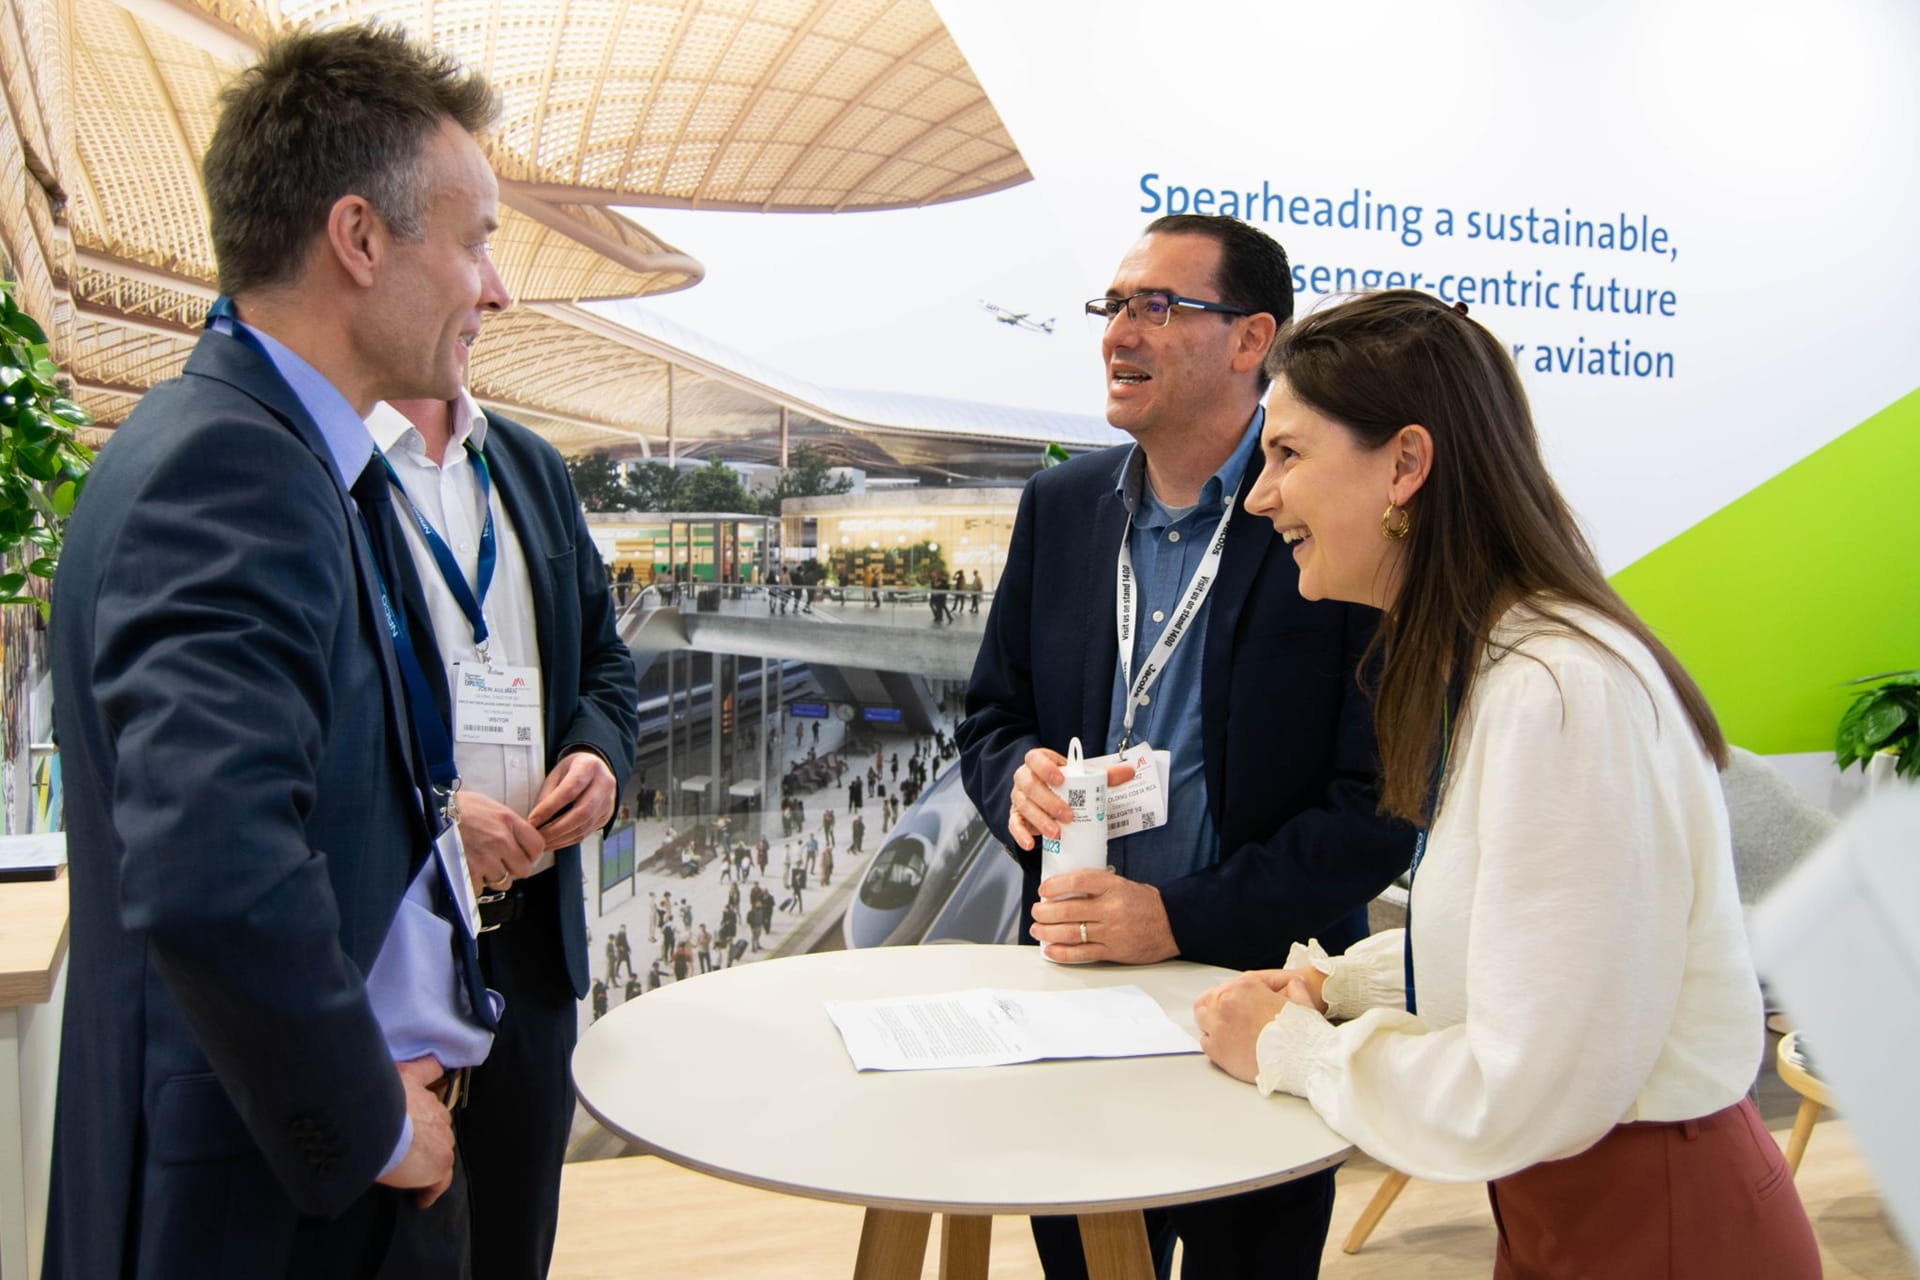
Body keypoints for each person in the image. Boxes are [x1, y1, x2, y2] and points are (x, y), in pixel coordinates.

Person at [1193, 291, 1820, 1279]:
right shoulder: (1515, 662)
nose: (1259, 497)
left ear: (1404, 464)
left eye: (1288, 455)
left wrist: (1295, 1047)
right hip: (1587, 1210)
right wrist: (1341, 982)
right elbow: (1545, 946)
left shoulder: (1558, 690)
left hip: (1655, 1226)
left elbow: (1525, 1085)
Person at [45, 25, 508, 1277]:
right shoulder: (230, 470)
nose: (496, 288)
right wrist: (364, 1121)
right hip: (284, 1200)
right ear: (360, 239)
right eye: (475, 240)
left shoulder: (272, 451)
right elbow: (211, 858)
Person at [956, 214, 1412, 1280]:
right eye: (1114, 306)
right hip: (1076, 992)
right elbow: (989, 717)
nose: (1121, 332)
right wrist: (1015, 777)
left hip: (1263, 1001)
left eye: (1157, 307)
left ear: (1253, 339)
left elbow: (1377, 807)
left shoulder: (1327, 511)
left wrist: (1175, 915)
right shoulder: (1062, 507)